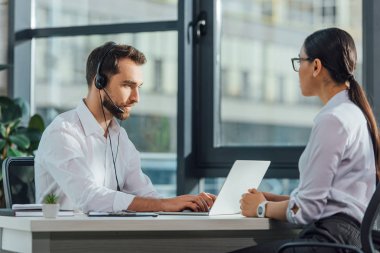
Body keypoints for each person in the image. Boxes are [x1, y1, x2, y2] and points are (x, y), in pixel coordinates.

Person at [235, 27, 380, 252]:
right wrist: (272, 199)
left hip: (327, 242)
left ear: (316, 66)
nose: (297, 70)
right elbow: (325, 200)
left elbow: (307, 210)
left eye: (299, 61)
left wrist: (261, 208)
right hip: (346, 240)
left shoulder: (333, 119)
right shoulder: (353, 113)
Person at [35, 42, 215, 213]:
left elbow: (146, 195)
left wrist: (185, 205)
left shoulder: (119, 137)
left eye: (138, 87)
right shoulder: (63, 133)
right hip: (64, 241)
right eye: (127, 86)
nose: (136, 98)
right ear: (99, 82)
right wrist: (163, 204)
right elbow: (89, 198)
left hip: (109, 239)